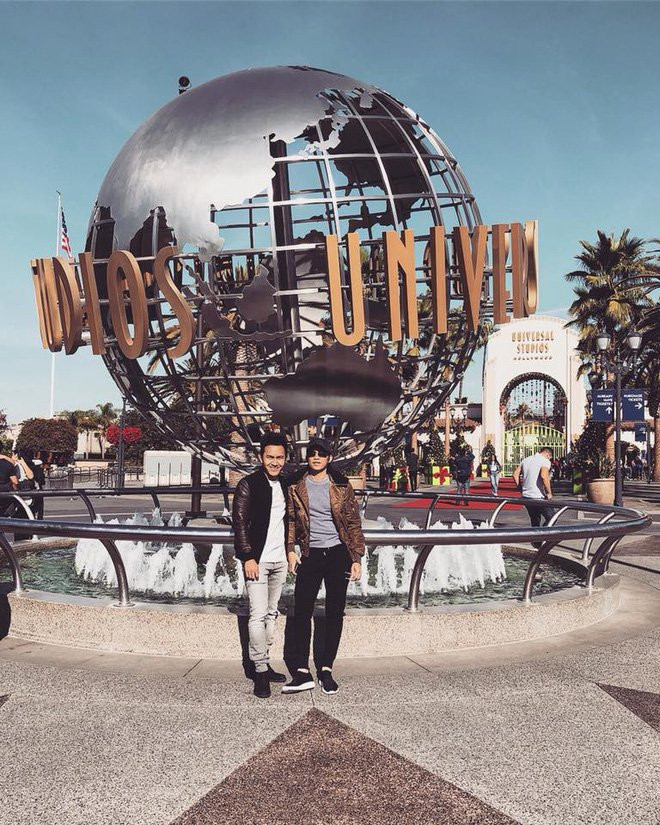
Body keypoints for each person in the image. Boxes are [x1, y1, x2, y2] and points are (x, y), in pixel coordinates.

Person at [283, 437, 365, 696]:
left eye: (322, 454)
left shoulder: (341, 484)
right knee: (302, 609)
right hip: (310, 553)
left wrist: (356, 558)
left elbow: (353, 522)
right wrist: (290, 549)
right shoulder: (295, 484)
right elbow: (291, 520)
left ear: (330, 458)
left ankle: (326, 668)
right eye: (312, 453)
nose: (316, 457)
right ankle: (301, 670)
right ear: (307, 457)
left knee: (335, 611)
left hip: (338, 553)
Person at [232, 432, 290, 699]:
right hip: (258, 560)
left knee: (271, 614)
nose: (275, 462)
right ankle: (260, 671)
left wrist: (291, 552)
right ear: (261, 457)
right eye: (270, 457)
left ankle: (264, 661)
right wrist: (248, 556)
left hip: (280, 560)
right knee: (257, 615)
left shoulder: (286, 484)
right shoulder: (249, 484)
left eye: (279, 457)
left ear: (285, 458)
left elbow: (290, 522)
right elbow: (240, 522)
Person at [513, 447, 554, 546]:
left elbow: (515, 474)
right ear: (548, 454)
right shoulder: (545, 461)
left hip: (526, 496)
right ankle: (541, 536)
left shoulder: (526, 460)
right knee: (552, 517)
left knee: (535, 520)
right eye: (550, 458)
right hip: (538, 496)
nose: (549, 460)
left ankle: (536, 542)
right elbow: (544, 476)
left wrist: (520, 487)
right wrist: (549, 492)